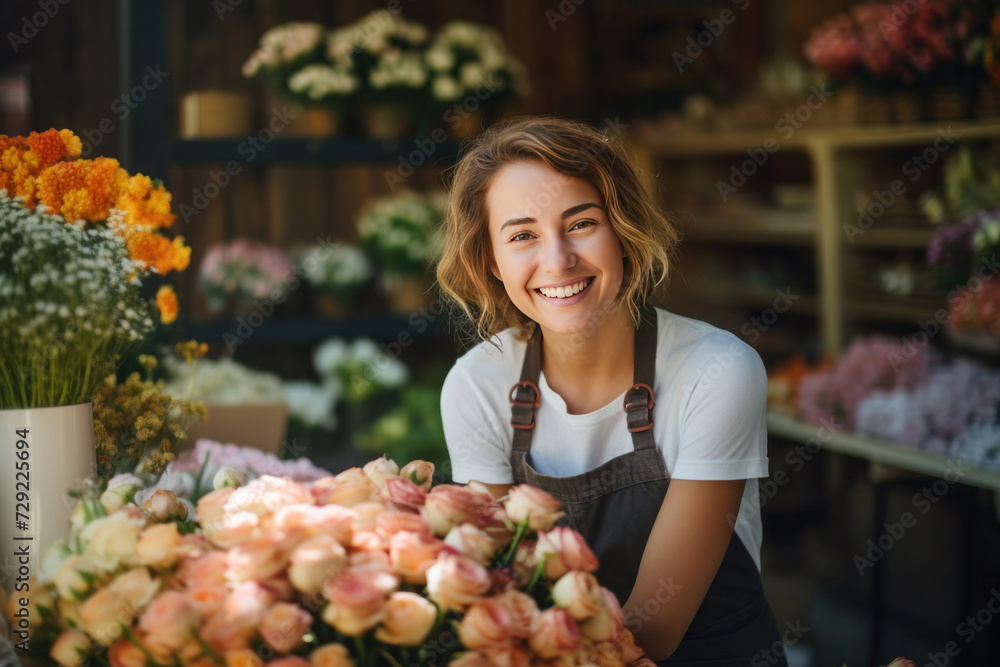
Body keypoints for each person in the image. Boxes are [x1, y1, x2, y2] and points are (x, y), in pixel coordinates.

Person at [435, 116, 786, 665]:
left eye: (580, 223)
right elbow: (503, 590)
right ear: (491, 262)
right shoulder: (478, 384)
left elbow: (655, 629)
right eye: (523, 235)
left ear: (624, 231)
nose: (557, 259)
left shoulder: (717, 371)